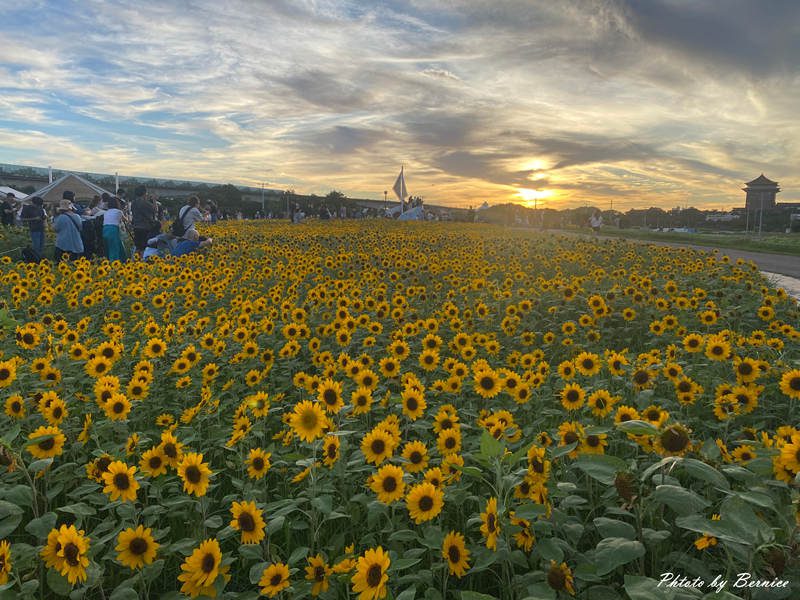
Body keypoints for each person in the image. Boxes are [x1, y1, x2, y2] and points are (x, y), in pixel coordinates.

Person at [53, 195, 84, 261]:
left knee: (61, 262)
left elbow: (55, 229)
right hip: (76, 244)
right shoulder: (77, 216)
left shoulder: (61, 217)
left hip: (63, 244)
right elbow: (80, 228)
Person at [131, 186, 159, 256]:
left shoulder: (133, 203)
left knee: (138, 247)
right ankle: (142, 263)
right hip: (144, 227)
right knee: (144, 248)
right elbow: (155, 210)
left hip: (136, 227)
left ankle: (135, 262)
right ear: (144, 193)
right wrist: (154, 199)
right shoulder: (144, 203)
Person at [102, 196, 128, 262]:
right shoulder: (119, 211)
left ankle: (121, 260)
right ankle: (115, 263)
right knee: (114, 249)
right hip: (113, 230)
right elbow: (126, 220)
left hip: (105, 229)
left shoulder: (106, 212)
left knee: (111, 247)